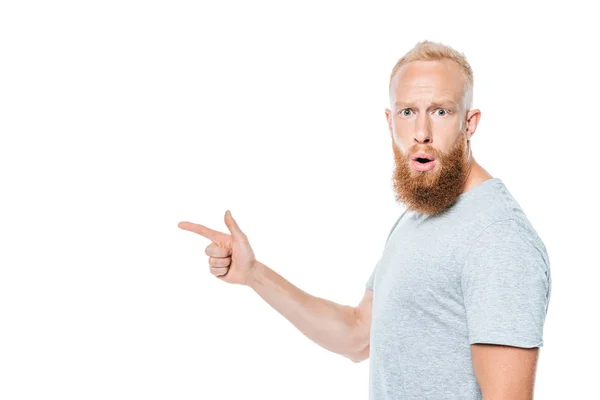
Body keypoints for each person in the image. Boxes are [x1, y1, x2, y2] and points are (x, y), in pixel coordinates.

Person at [178, 40, 552, 400]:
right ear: (390, 121)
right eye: (408, 112)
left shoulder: (497, 238)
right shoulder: (418, 216)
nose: (421, 133)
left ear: (469, 123)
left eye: (441, 111)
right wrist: (254, 274)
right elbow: (358, 335)